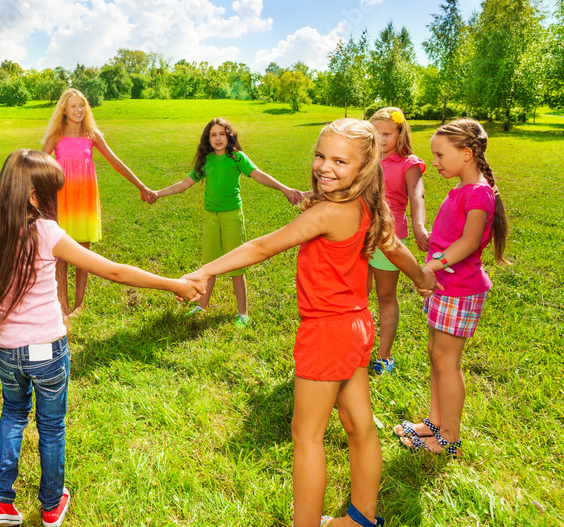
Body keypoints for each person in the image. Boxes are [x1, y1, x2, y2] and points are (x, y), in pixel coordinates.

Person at [0, 150, 200, 527]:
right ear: (34, 195)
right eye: (52, 193)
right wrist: (172, 284)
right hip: (48, 352)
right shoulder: (45, 231)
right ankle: (51, 505)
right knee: (51, 427)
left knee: (13, 415)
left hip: (6, 352)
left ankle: (1, 504)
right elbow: (113, 271)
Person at [182, 119, 435, 527]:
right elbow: (398, 247)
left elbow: (263, 245)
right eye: (320, 155)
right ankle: (361, 518)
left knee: (307, 436)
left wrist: (205, 271)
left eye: (339, 160)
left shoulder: (330, 213)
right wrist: (422, 278)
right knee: (359, 425)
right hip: (356, 327)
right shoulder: (368, 208)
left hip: (326, 332)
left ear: (365, 167)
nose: (324, 166)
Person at [395, 118, 509, 458]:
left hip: (461, 289)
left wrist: (428, 266)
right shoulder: (461, 190)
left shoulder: (479, 193)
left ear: (467, 154)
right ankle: (434, 422)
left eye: (441, 155)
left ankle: (449, 437)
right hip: (445, 287)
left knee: (448, 361)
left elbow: (470, 242)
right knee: (436, 357)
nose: (435, 163)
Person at [151, 117, 305, 327]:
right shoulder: (206, 161)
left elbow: (259, 174)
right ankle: (201, 306)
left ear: (229, 136)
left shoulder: (236, 157)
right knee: (209, 265)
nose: (218, 138)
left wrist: (285, 189)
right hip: (210, 218)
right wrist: (158, 193)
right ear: (208, 139)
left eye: (222, 134)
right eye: (213, 134)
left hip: (232, 216)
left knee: (237, 266)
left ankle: (243, 313)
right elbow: (183, 184)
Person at [41, 89, 156, 315]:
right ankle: (62, 305)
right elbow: (37, 165)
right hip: (60, 198)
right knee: (60, 253)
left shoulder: (92, 135)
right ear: (63, 109)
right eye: (73, 106)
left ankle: (79, 305)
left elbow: (115, 162)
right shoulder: (56, 136)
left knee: (83, 252)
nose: (78, 110)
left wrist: (141, 186)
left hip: (84, 199)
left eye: (81, 105)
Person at [367, 108, 429, 375]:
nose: (381, 139)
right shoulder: (365, 158)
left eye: (387, 134)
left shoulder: (409, 164)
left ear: (400, 133)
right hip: (358, 235)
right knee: (357, 293)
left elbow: (418, 196)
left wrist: (419, 226)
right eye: (376, 133)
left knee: (385, 296)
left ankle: (383, 356)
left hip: (389, 239)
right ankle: (357, 346)